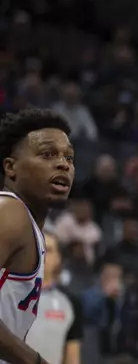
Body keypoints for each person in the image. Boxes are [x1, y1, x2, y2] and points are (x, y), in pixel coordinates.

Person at [0, 108, 74, 364]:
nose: (63, 163)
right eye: (47, 154)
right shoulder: (9, 212)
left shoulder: (29, 226)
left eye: (69, 157)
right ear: (11, 168)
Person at [26, 232, 84, 364]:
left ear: (58, 258)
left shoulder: (71, 303)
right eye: (37, 247)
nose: (42, 253)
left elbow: (72, 358)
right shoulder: (7, 295)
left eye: (49, 250)